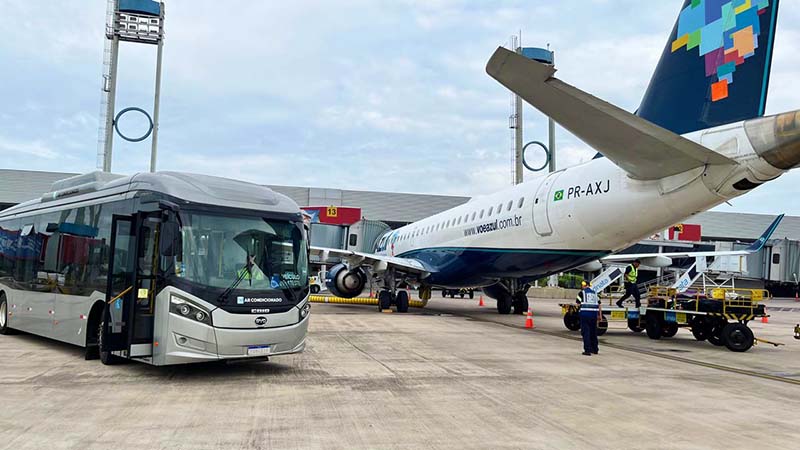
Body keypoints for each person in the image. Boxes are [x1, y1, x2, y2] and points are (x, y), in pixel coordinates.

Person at [576, 280, 600, 356]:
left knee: (586, 332)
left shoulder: (581, 293)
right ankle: (595, 349)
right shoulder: (595, 293)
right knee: (593, 332)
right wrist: (599, 315)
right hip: (594, 315)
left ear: (584, 285)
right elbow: (599, 305)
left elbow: (577, 304)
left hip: (585, 315)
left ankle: (587, 350)